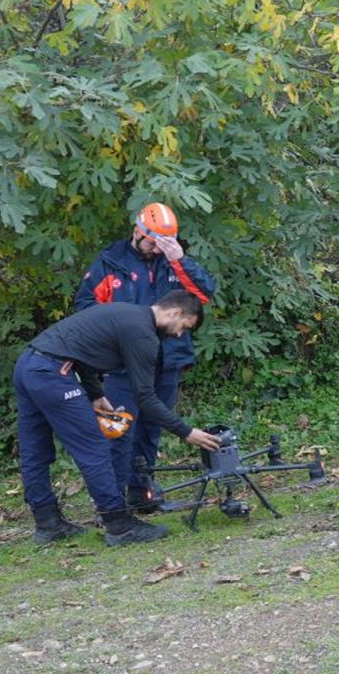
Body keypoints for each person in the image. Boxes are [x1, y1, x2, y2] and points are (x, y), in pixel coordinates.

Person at [13, 290, 221, 547]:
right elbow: (145, 398)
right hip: (52, 374)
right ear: (175, 312)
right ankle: (119, 525)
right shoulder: (143, 334)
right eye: (184, 327)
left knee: (35, 450)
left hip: (28, 365)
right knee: (94, 448)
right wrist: (186, 432)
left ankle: (47, 523)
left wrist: (95, 393)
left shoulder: (125, 313)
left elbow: (81, 348)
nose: (180, 334)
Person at [73, 203, 217, 512]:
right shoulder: (110, 262)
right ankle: (111, 506)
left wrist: (179, 259)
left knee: (152, 429)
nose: (158, 248)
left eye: (165, 242)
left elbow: (204, 294)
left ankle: (141, 494)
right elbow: (85, 309)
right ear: (137, 232)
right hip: (123, 363)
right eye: (153, 241)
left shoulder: (174, 260)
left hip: (168, 359)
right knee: (119, 430)